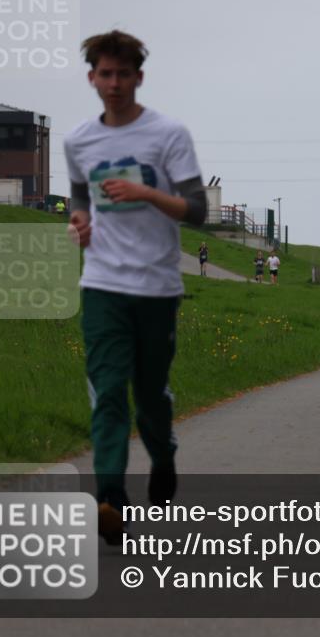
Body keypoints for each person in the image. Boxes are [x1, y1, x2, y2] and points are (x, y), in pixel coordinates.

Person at [65, 30, 208, 544]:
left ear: (138, 78)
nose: (115, 83)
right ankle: (109, 498)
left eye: (124, 74)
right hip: (102, 282)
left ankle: (163, 455)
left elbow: (197, 209)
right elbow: (80, 199)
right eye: (106, 73)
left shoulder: (167, 135)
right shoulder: (80, 140)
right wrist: (78, 224)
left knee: (149, 394)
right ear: (92, 78)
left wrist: (147, 191)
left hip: (157, 286)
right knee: (107, 393)